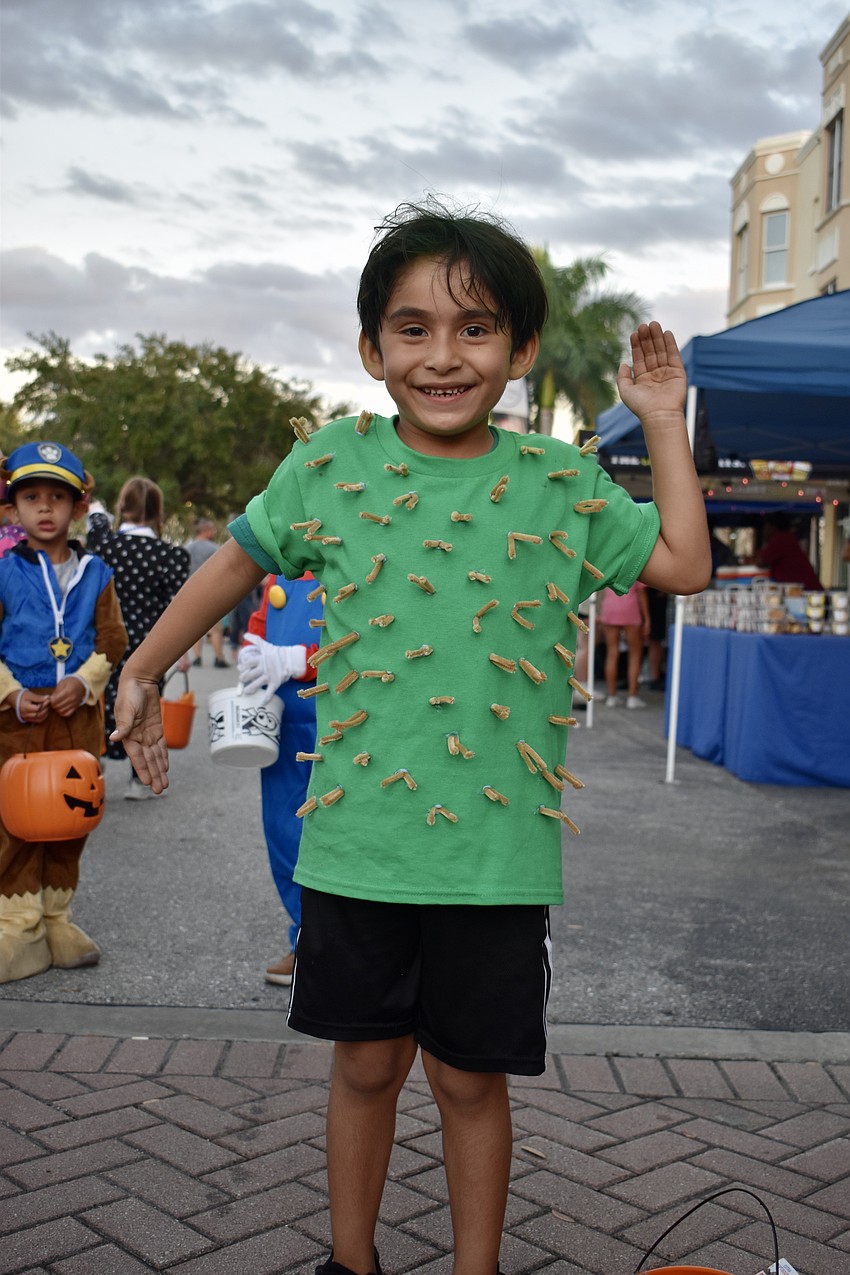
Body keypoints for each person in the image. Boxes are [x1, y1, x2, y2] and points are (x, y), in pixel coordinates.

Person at [112, 202, 711, 1275]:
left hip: (493, 857)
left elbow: (681, 565)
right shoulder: (330, 463)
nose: (444, 356)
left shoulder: (559, 484)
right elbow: (236, 562)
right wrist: (144, 667)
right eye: (413, 328)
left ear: (521, 350)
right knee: (363, 1068)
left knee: (471, 1081)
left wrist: (662, 419)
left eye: (475, 330)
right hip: (358, 845)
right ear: (372, 348)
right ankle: (354, 1262)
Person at [0, 443, 127, 983]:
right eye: (32, 498)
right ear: (13, 508)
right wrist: (10, 692)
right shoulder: (4, 571)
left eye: (58, 497)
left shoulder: (96, 571)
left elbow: (113, 639)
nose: (45, 508)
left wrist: (83, 681)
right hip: (18, 727)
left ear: (79, 506)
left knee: (69, 822)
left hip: (76, 724)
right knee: (18, 825)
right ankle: (17, 923)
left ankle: (56, 917)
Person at [237, 573, 323, 985]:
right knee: (285, 834)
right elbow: (261, 619)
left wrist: (300, 659)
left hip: (338, 724)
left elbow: (369, 640)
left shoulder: (361, 549)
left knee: (336, 837)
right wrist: (252, 652)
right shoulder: (282, 565)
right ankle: (307, 941)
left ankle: (341, 948)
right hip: (282, 724)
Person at [86, 477, 189, 798]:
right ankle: (139, 775)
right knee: (145, 703)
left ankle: (94, 766)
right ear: (158, 512)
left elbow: (95, 521)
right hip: (151, 642)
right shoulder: (170, 555)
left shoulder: (104, 546)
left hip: (106, 639)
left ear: (123, 507)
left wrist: (100, 513)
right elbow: (180, 605)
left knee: (102, 701)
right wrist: (184, 649)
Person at [598, 580, 650, 708]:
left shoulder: (609, 561)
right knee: (635, 654)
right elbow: (641, 593)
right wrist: (647, 618)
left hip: (609, 608)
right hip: (630, 608)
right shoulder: (636, 562)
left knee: (612, 653)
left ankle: (612, 696)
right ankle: (632, 697)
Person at [186, 518, 228, 667]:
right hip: (212, 591)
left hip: (191, 591)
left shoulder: (188, 547)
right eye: (212, 530)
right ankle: (219, 658)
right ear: (206, 531)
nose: (214, 532)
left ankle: (197, 656)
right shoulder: (214, 548)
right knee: (215, 629)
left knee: (195, 628)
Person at [755, 512, 822, 589]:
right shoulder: (787, 538)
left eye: (765, 527)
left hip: (806, 591)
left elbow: (760, 562)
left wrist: (765, 541)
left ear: (772, 527)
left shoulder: (780, 540)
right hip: (803, 587)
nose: (763, 530)